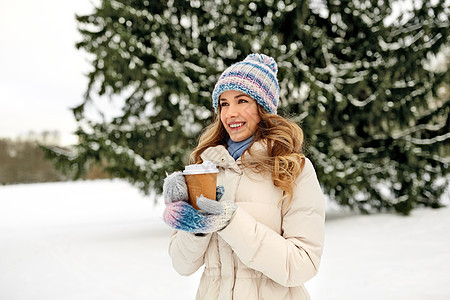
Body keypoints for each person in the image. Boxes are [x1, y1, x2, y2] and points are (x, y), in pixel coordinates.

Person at [162, 53, 325, 299]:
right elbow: (181, 265)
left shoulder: (293, 169)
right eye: (224, 104)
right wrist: (194, 225)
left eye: (242, 101)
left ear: (263, 107)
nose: (230, 113)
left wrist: (231, 222)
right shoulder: (207, 168)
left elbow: (302, 265)